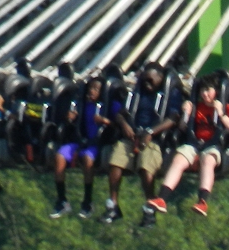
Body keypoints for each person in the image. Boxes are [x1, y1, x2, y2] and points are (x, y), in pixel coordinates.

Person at [145, 75, 229, 218]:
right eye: (202, 90)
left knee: (208, 161)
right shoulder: (197, 107)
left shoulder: (226, 108)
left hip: (214, 145)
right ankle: (162, 198)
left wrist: (221, 113)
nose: (204, 94)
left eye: (208, 90)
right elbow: (183, 127)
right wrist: (186, 114)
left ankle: (203, 201)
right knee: (178, 160)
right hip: (194, 143)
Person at [103, 64, 182, 226]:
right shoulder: (137, 94)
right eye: (144, 80)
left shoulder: (170, 94)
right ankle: (113, 205)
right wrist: (125, 125)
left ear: (160, 78)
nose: (147, 83)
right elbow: (121, 114)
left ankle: (149, 207)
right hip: (132, 136)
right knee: (115, 162)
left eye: (151, 80)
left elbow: (173, 118)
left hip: (154, 139)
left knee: (145, 167)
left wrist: (151, 132)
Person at [50, 76, 109, 220]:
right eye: (90, 88)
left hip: (95, 143)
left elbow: (116, 122)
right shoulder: (80, 104)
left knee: (88, 160)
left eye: (96, 89)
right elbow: (71, 119)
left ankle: (87, 201)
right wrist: (70, 117)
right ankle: (62, 200)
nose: (92, 91)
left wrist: (104, 121)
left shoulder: (105, 106)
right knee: (59, 157)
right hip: (79, 141)